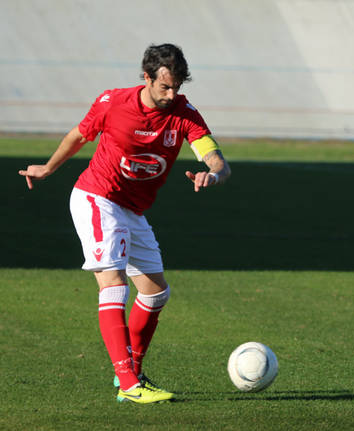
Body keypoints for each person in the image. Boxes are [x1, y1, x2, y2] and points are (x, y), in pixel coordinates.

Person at [19, 43, 231, 404]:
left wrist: (213, 174)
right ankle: (128, 381)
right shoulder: (113, 103)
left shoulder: (184, 113)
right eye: (165, 86)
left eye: (178, 86)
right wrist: (47, 168)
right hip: (97, 198)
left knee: (155, 292)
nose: (172, 94)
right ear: (146, 78)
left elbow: (217, 160)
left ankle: (133, 372)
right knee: (114, 283)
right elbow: (78, 136)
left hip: (132, 210)